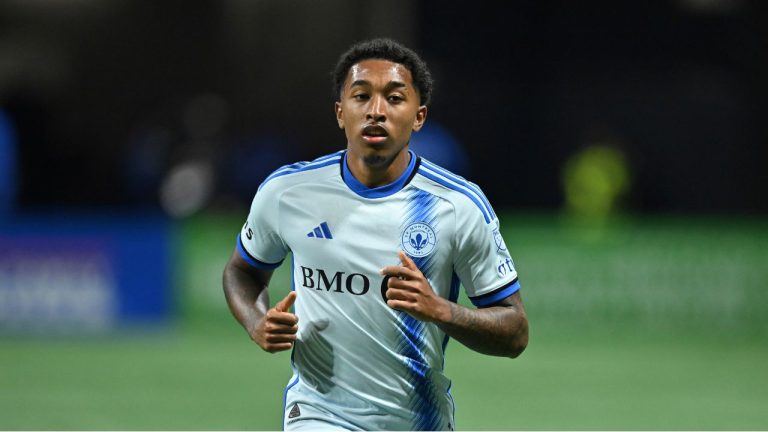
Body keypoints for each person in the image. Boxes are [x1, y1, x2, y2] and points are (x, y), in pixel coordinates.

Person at [222, 38, 529, 431]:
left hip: (418, 421)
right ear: (340, 112)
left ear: (418, 117)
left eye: (394, 98)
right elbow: (242, 271)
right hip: (317, 414)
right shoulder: (288, 192)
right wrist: (256, 322)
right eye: (361, 96)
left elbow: (515, 332)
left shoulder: (457, 205)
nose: (376, 111)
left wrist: (441, 310)